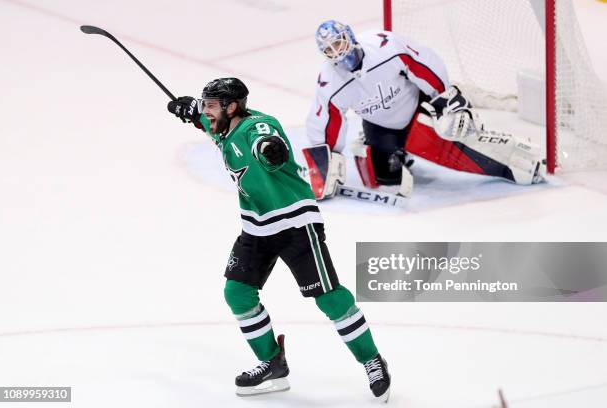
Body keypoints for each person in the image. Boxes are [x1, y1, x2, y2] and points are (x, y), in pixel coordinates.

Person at [167, 78, 391, 401]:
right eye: (205, 105)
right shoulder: (223, 126)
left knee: (328, 296)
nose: (207, 111)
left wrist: (272, 152)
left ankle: (372, 358)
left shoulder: (258, 126)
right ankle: (272, 362)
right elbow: (206, 123)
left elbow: (266, 142)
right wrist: (190, 111)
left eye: (211, 105)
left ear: (232, 108)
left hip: (296, 224)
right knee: (238, 293)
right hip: (257, 227)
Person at [303, 20, 545, 200]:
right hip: (380, 128)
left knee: (449, 133)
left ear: (350, 36)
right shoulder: (330, 80)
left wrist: (445, 99)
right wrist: (324, 161)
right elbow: (326, 119)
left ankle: (518, 161)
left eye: (338, 42)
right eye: (329, 49)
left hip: (418, 109)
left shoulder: (384, 46)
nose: (336, 51)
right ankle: (385, 150)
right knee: (387, 182)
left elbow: (425, 64)